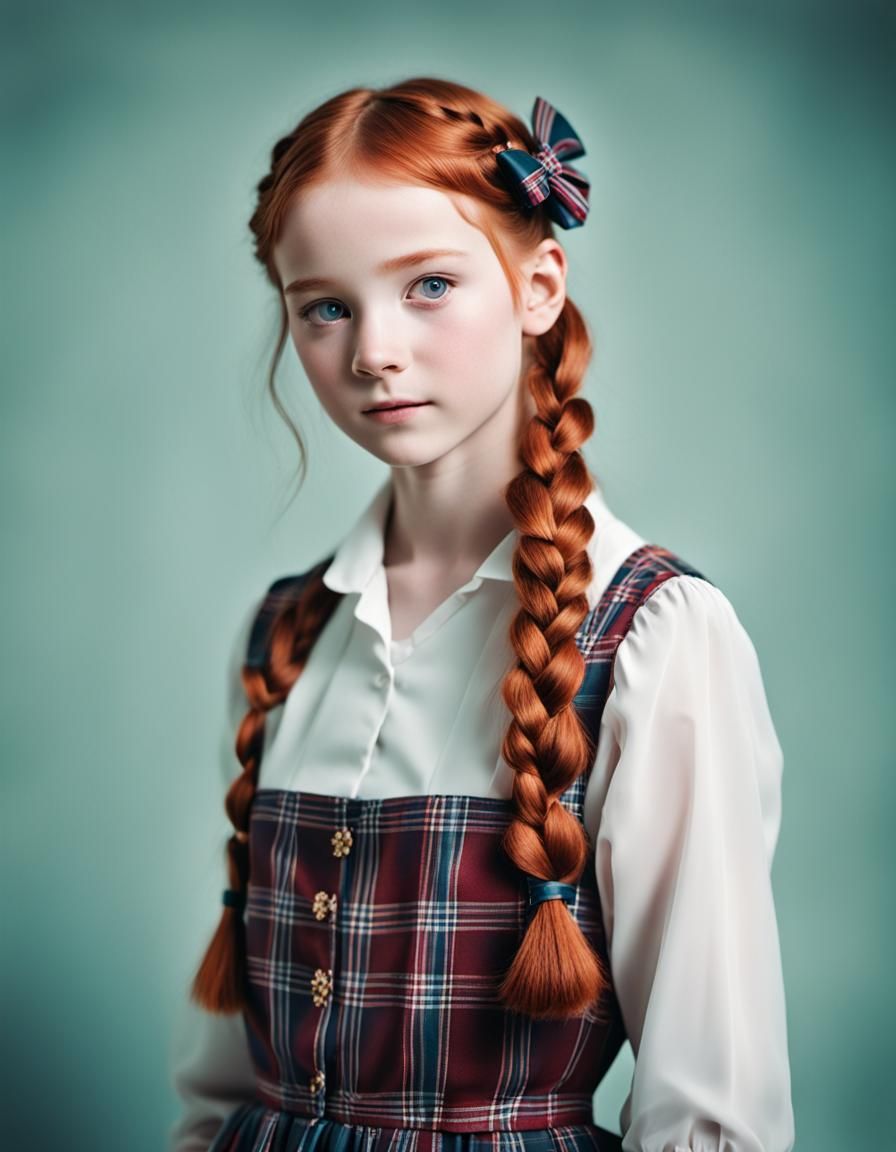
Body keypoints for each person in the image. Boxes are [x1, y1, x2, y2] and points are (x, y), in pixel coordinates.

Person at [168, 77, 795, 1152]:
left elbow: (708, 1115)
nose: (371, 351)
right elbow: (221, 1088)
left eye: (427, 286)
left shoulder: (653, 636)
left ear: (538, 285)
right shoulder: (286, 633)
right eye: (324, 305)